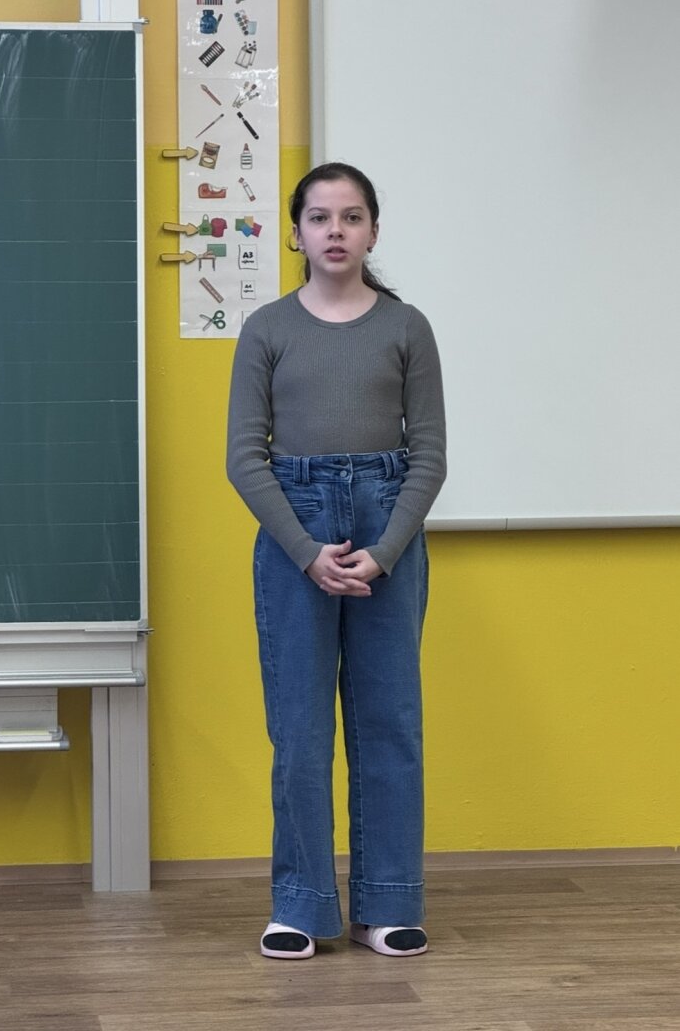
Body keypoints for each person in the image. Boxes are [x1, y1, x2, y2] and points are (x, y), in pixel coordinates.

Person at [226, 162, 447, 959]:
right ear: (296, 233)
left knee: (390, 724)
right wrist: (307, 551)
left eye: (352, 217)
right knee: (299, 728)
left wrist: (382, 555)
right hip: (297, 532)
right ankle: (302, 905)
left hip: (389, 533)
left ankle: (387, 902)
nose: (335, 231)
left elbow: (429, 457)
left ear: (373, 231)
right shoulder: (267, 330)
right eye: (319, 217)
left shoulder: (406, 328)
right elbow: (244, 458)